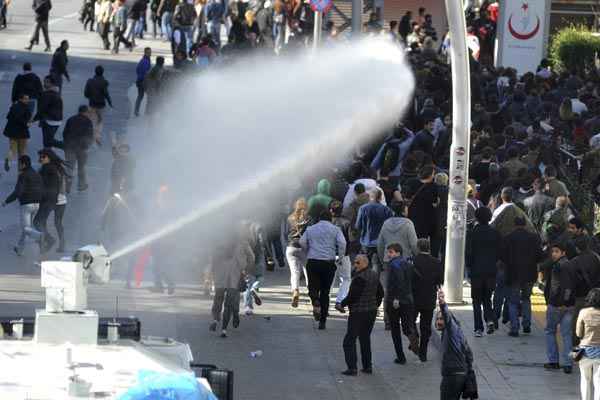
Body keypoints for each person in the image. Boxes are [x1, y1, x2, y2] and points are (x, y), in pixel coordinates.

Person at [299, 208, 346, 330]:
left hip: (313, 261)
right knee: (325, 291)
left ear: (319, 219)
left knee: (312, 287)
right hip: (328, 263)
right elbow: (342, 243)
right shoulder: (335, 229)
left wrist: (308, 250)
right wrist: (340, 257)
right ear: (330, 219)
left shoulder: (310, 229)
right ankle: (323, 321)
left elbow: (302, 242)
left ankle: (315, 300)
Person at [339, 254, 383, 376]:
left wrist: (342, 304)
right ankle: (367, 366)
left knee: (349, 340)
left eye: (357, 263)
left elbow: (353, 296)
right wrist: (375, 304)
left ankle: (352, 368)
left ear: (365, 263)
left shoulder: (359, 278)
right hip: (371, 312)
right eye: (355, 262)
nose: (355, 265)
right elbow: (381, 292)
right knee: (365, 338)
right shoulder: (374, 274)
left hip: (358, 312)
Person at [503, 216, 544, 336]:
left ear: (514, 224)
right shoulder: (534, 238)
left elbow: (502, 256)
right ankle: (527, 325)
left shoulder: (508, 238)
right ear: (525, 224)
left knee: (513, 301)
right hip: (529, 274)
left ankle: (514, 328)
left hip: (513, 273)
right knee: (526, 299)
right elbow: (540, 255)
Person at [210, 231, 254, 338]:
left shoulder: (219, 241)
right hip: (235, 276)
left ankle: (216, 319)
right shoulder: (242, 242)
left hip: (220, 275)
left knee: (218, 298)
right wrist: (246, 270)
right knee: (230, 302)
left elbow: (213, 258)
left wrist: (212, 272)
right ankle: (224, 328)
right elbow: (251, 257)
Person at [466, 206, 502, 337]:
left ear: (476, 217)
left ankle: (478, 328)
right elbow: (499, 252)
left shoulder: (472, 233)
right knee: (487, 298)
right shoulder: (495, 233)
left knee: (476, 300)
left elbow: (469, 253)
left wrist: (469, 266)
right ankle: (490, 319)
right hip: (491, 271)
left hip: (476, 271)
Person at [542, 241, 576, 374]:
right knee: (566, 334)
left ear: (563, 253)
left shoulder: (557, 266)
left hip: (556, 305)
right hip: (570, 306)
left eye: (556, 252)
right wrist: (568, 301)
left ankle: (553, 361)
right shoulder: (572, 265)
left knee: (550, 331)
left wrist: (560, 301)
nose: (553, 254)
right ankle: (568, 364)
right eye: (553, 251)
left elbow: (556, 287)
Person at [437, 289, 475, 400]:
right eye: (437, 319)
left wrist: (443, 304)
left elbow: (447, 318)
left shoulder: (451, 330)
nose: (439, 321)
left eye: (441, 319)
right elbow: (469, 354)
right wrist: (469, 371)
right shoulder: (457, 332)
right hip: (459, 374)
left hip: (452, 376)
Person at [2, 155, 43, 256]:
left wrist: (6, 201)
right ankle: (20, 249)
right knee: (27, 228)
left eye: (19, 163)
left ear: (23, 164)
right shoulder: (37, 174)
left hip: (26, 205)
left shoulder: (23, 175)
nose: (18, 166)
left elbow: (18, 192)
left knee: (26, 228)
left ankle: (40, 236)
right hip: (37, 204)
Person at [385, 243, 419, 364]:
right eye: (388, 252)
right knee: (407, 326)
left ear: (398, 253)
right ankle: (413, 339)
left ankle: (401, 357)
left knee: (394, 329)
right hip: (408, 300)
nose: (389, 254)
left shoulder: (394, 264)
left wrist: (396, 298)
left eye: (391, 252)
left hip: (395, 301)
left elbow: (398, 281)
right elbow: (415, 278)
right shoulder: (408, 263)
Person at [412, 238, 443, 361]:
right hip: (429, 297)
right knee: (426, 325)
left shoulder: (413, 261)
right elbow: (440, 280)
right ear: (429, 248)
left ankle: (414, 337)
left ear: (418, 248)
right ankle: (423, 353)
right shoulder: (436, 262)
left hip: (414, 297)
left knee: (410, 321)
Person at [356, 187, 393, 274]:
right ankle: (375, 283)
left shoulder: (363, 208)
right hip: (380, 243)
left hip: (366, 242)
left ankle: (366, 283)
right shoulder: (386, 210)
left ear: (370, 197)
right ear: (380, 198)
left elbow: (358, 226)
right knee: (377, 264)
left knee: (364, 264)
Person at [407, 165, 441, 255]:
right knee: (432, 238)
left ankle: (417, 255)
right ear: (430, 175)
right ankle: (431, 256)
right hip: (429, 217)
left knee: (417, 237)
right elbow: (436, 203)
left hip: (414, 216)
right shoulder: (434, 187)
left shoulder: (412, 183)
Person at [33, 148, 61, 253]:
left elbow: (42, 184)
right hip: (49, 199)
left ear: (49, 158)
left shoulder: (48, 168)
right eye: (40, 156)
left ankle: (49, 239)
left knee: (37, 221)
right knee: (42, 221)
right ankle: (43, 243)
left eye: (43, 157)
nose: (41, 158)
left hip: (48, 200)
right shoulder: (49, 167)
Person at [62, 105, 94, 192]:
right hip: (82, 149)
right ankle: (81, 185)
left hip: (70, 147)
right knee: (81, 167)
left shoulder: (71, 119)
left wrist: (67, 143)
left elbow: (64, 133)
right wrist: (87, 146)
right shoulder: (88, 121)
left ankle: (67, 187)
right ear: (86, 112)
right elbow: (90, 136)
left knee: (69, 167)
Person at [576, 288, 600, 400]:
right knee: (598, 381)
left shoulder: (583, 312)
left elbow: (578, 333)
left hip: (584, 350)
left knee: (585, 380)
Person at [285, 198, 309, 308]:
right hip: (304, 247)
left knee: (294, 272)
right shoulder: (308, 219)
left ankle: (295, 291)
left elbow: (286, 233)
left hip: (291, 247)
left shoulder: (290, 218)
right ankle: (311, 294)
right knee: (307, 271)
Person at [330, 200, 351, 313]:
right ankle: (340, 300)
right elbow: (350, 239)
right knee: (346, 278)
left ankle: (325, 303)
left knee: (330, 280)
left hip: (329, 254)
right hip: (344, 254)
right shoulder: (346, 222)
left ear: (331, 210)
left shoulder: (328, 222)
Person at [3, 94, 32, 173]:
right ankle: (21, 171)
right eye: (26, 99)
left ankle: (8, 159)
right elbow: (26, 119)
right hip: (22, 132)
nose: (27, 100)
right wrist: (27, 124)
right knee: (22, 152)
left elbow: (8, 116)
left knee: (12, 149)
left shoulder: (14, 106)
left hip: (12, 132)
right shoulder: (26, 108)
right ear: (21, 99)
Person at [84, 65, 113, 145]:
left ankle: (90, 136)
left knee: (92, 120)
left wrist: (91, 95)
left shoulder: (90, 81)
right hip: (101, 105)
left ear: (95, 72)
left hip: (92, 104)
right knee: (99, 121)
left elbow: (86, 94)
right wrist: (110, 102)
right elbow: (106, 94)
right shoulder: (104, 82)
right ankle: (97, 137)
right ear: (102, 72)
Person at [33, 76, 63, 149]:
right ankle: (47, 158)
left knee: (48, 142)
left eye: (46, 82)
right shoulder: (56, 93)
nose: (44, 83)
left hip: (49, 120)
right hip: (57, 120)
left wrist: (33, 119)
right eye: (44, 81)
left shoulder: (47, 95)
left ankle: (68, 146)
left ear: (52, 84)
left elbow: (42, 109)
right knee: (48, 143)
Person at [134, 47, 152, 117]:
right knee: (149, 96)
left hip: (140, 80)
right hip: (143, 81)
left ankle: (136, 110)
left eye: (150, 52)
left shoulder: (144, 60)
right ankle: (147, 112)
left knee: (140, 96)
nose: (150, 54)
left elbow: (137, 69)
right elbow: (146, 72)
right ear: (145, 52)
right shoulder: (145, 61)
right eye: (148, 52)